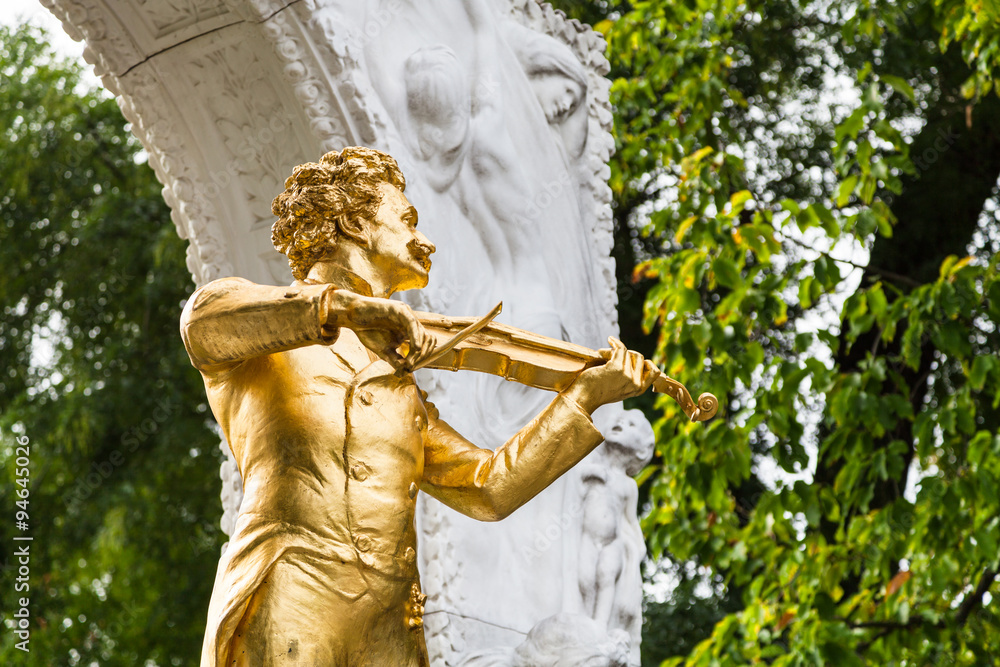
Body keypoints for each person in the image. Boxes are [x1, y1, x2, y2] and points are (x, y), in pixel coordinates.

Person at [180, 147, 657, 667]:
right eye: (406, 220)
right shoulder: (256, 325)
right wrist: (350, 307)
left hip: (389, 629)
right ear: (354, 222)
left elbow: (489, 488)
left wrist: (584, 396)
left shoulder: (402, 393)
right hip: (290, 595)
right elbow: (203, 324)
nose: (423, 239)